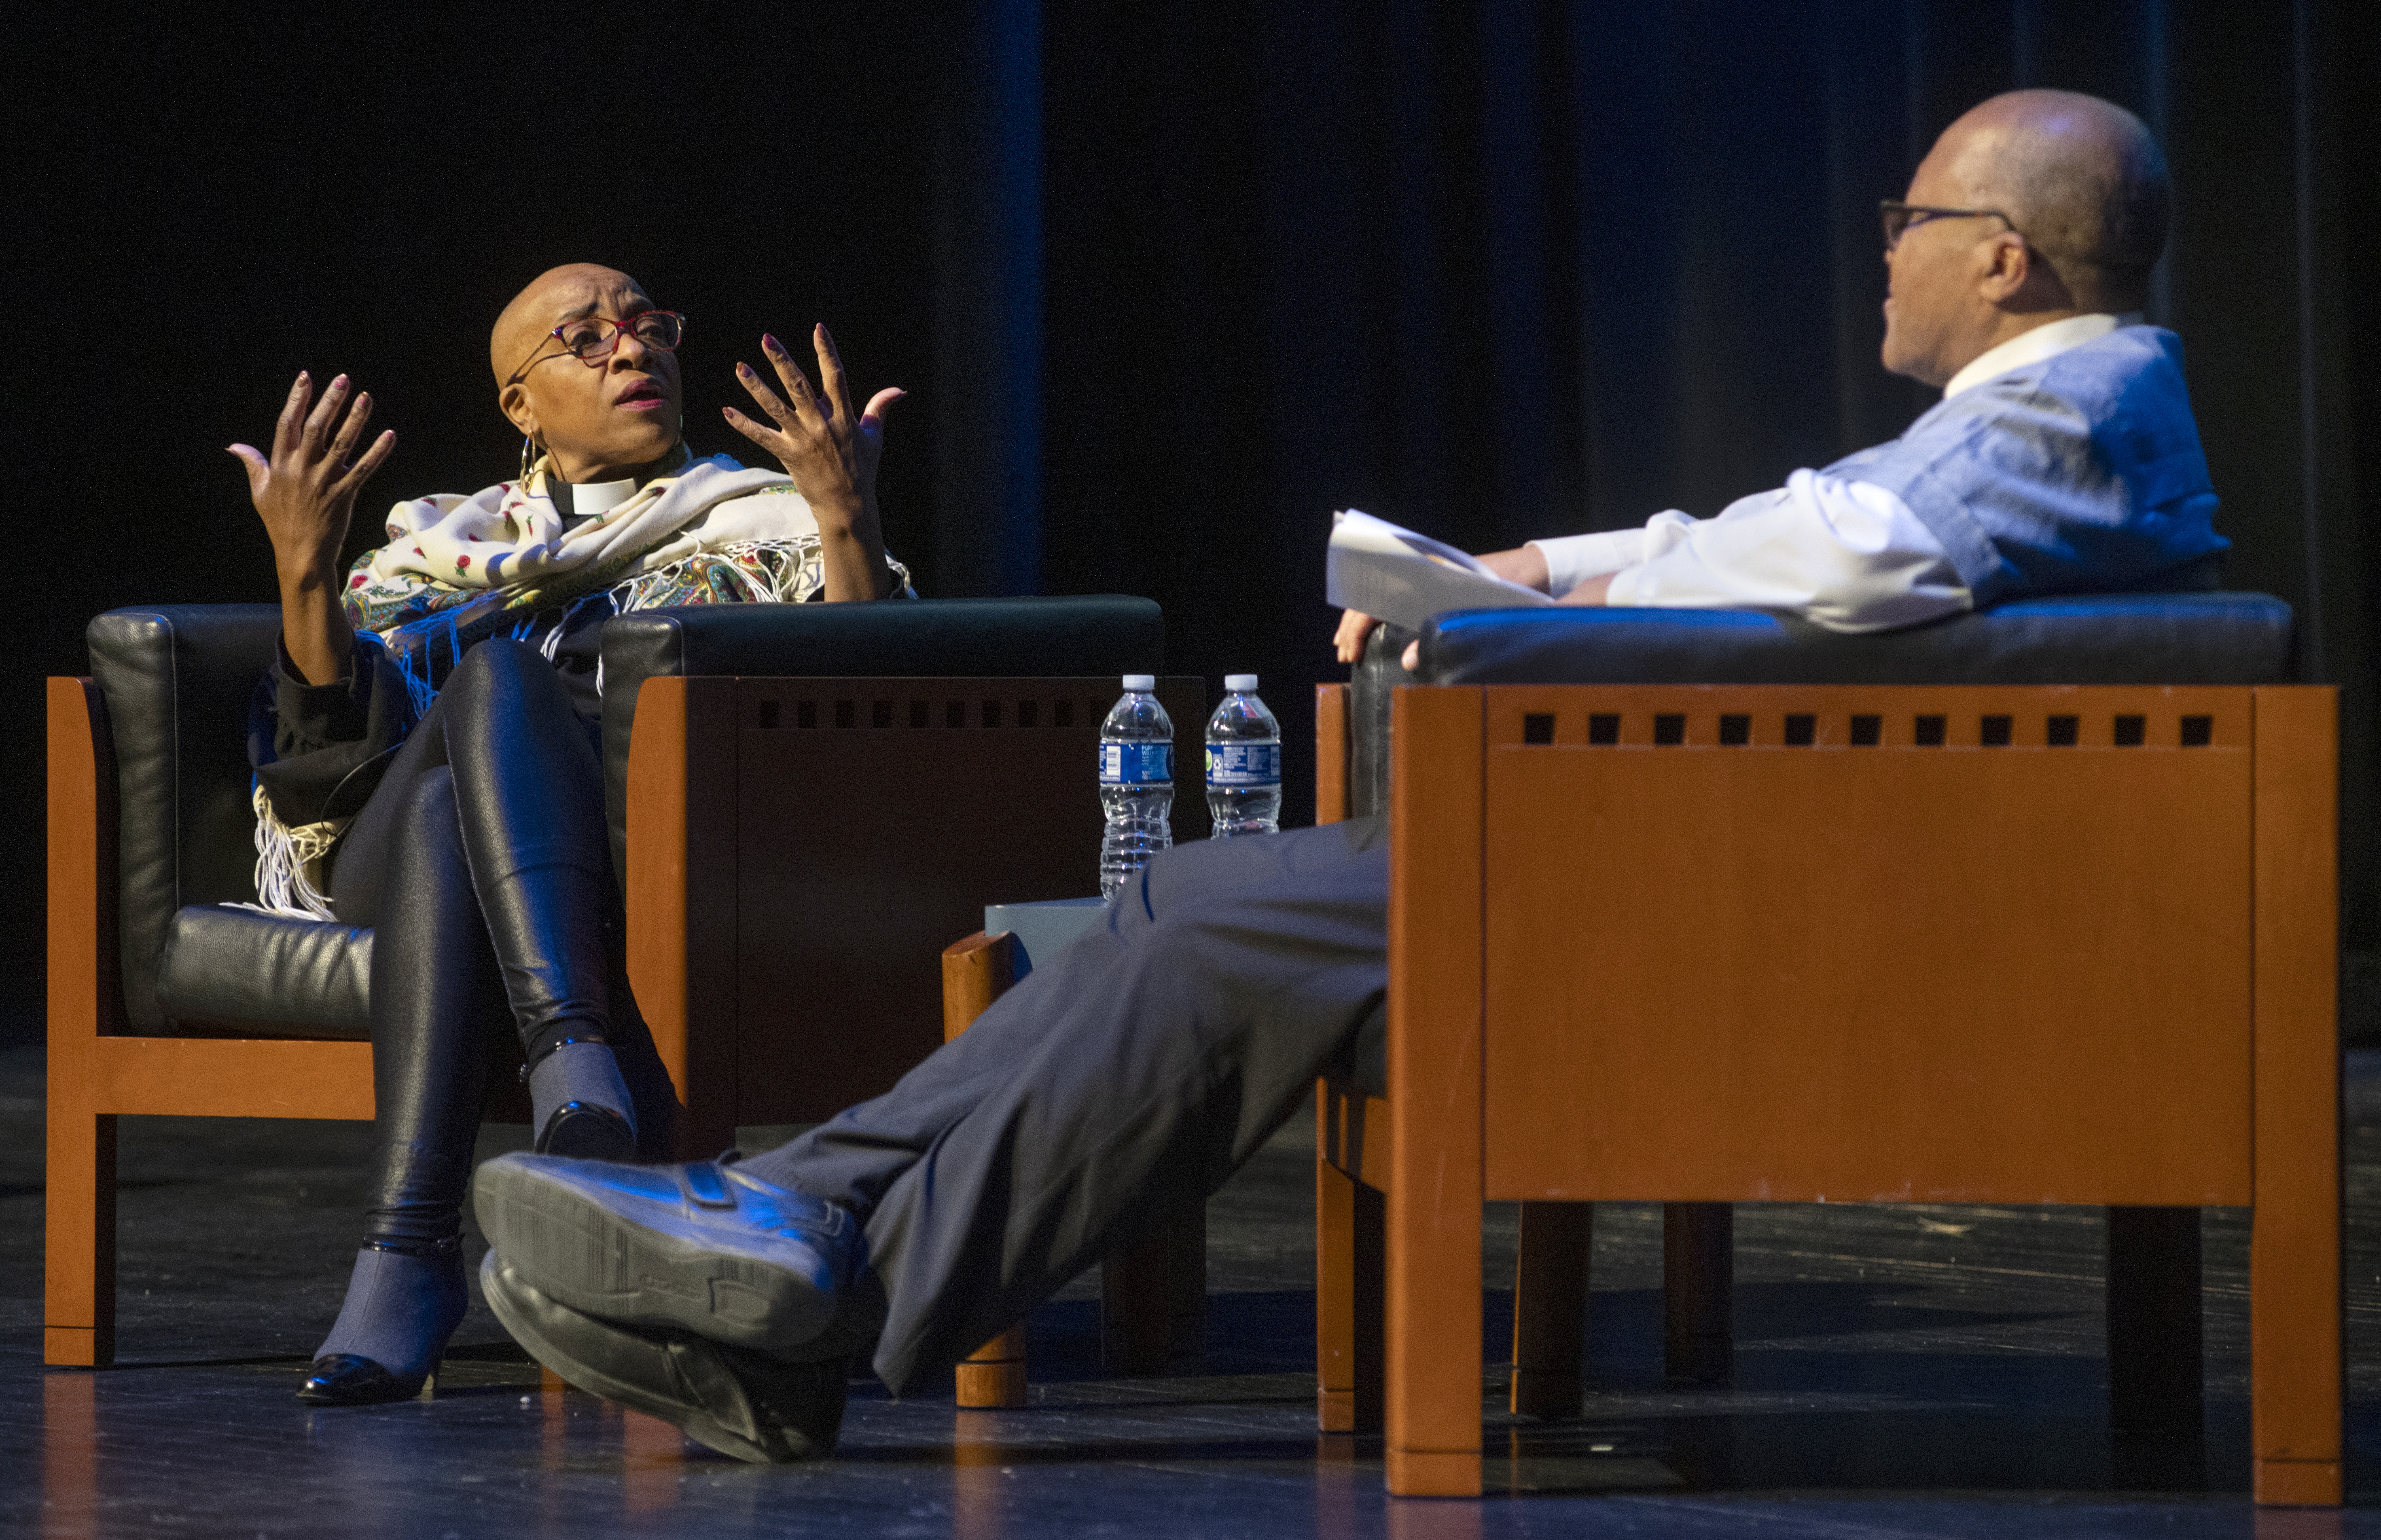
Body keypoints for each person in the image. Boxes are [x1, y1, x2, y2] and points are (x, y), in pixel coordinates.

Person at [467, 90, 2224, 1461]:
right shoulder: (2055, 416)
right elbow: (1808, 534)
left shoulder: (2069, 407)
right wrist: (1548, 568)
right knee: (1200, 896)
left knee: (1211, 911)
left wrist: (1509, 616)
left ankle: (807, 1257)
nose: (1885, 251)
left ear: (2002, 256)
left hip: (1765, 931)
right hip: (1757, 886)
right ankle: (801, 1262)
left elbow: (1839, 564)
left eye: (1909, 222)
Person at [235, 262, 912, 1407]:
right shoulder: (425, 552)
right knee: (490, 686)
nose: (631, 350)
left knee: (461, 804)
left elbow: (852, 727)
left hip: (642, 862)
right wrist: (306, 571)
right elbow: (329, 783)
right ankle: (574, 1060)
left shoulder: (763, 518)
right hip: (385, 862)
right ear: (520, 404)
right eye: (586, 339)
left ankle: (406, 1254)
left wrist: (847, 519)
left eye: (648, 327)